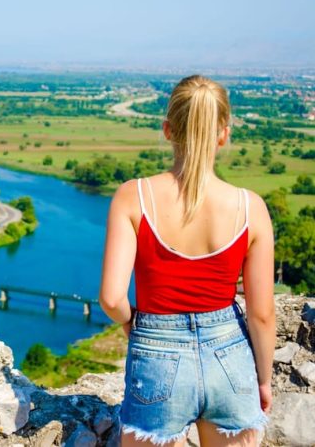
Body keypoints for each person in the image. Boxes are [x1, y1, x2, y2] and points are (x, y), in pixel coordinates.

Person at [99, 75, 276, 447]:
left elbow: (112, 299)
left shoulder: (133, 197)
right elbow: (262, 314)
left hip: (156, 352)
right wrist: (262, 379)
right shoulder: (251, 208)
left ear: (167, 130)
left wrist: (136, 325)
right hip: (231, 357)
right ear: (224, 134)